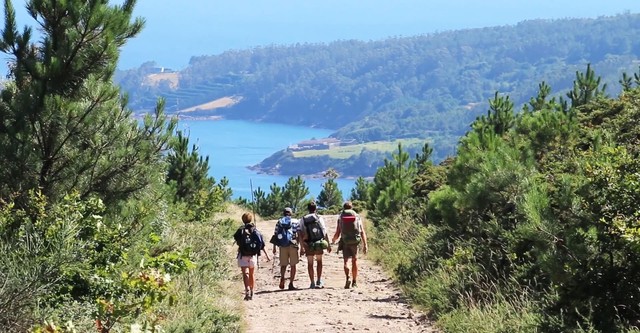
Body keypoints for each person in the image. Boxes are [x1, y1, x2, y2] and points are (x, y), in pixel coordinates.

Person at [332, 201, 368, 289]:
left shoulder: (341, 217)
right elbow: (362, 231)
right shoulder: (357, 217)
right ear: (352, 208)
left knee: (346, 261)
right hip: (355, 242)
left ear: (344, 208)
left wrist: (333, 240)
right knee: (354, 260)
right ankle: (354, 282)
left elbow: (338, 232)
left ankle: (348, 277)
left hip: (345, 241)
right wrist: (365, 244)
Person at [233, 212, 269, 300]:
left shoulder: (240, 230)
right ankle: (252, 290)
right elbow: (261, 242)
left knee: (245, 273)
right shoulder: (254, 230)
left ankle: (247, 290)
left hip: (243, 254)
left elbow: (236, 239)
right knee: (252, 273)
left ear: (243, 220)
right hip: (253, 254)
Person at [300, 201, 332, 289]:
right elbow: (324, 232)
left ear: (308, 209)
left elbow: (301, 232)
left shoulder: (303, 219)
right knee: (319, 261)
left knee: (310, 263)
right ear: (316, 209)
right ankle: (319, 280)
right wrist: (328, 245)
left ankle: (312, 283)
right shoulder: (319, 218)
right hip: (318, 242)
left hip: (308, 243)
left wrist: (302, 246)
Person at [271, 207, 302, 290]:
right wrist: (299, 244)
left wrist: (274, 247)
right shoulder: (295, 221)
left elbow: (276, 234)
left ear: (283, 213)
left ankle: (282, 277)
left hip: (282, 245)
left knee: (283, 264)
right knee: (293, 265)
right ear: (291, 213)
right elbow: (299, 233)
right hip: (292, 244)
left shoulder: (279, 221)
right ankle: (291, 283)